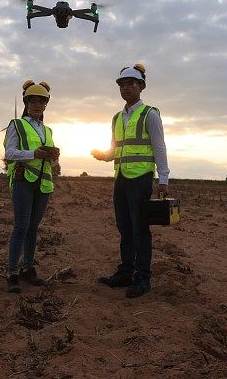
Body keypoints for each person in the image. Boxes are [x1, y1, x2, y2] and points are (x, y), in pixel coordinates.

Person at [91, 63, 169, 298]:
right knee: (124, 228)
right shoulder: (117, 118)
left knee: (140, 229)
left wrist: (163, 178)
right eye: (122, 85)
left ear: (141, 86)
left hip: (141, 179)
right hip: (121, 179)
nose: (125, 88)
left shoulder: (150, 114)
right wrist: (103, 155)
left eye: (131, 84)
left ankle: (142, 278)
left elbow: (159, 146)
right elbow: (117, 149)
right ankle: (126, 272)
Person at [3, 80, 61, 293]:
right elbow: (9, 153)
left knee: (33, 228)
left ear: (46, 105)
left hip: (42, 183)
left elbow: (50, 159)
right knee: (21, 227)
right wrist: (33, 154)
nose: (37, 105)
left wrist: (54, 158)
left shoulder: (47, 130)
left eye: (42, 101)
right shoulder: (16, 125)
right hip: (23, 180)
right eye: (33, 100)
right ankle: (12, 272)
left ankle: (28, 268)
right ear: (26, 103)